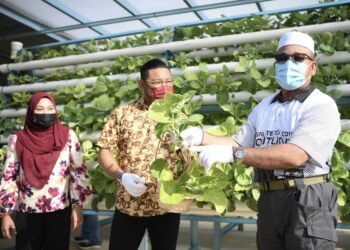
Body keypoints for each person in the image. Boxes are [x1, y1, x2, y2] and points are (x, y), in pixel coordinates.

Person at [181, 31, 340, 249]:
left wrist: (234, 155)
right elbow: (239, 142)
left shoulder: (320, 104)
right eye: (282, 58)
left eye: (299, 57)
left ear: (313, 67)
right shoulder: (265, 106)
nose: (289, 62)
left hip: (307, 198)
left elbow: (295, 156)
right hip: (269, 196)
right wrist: (202, 136)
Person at [97, 58, 181, 250]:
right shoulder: (123, 113)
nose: (164, 87)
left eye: (168, 81)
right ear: (142, 84)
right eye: (157, 82)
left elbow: (187, 158)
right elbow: (104, 150)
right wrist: (121, 175)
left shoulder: (179, 117)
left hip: (166, 206)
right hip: (129, 204)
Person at [0, 92, 92, 250]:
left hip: (59, 210)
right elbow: (9, 177)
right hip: (27, 211)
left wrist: (78, 206)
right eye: (40, 109)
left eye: (50, 108)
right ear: (31, 112)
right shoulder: (18, 140)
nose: (45, 113)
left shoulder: (68, 136)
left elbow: (79, 172)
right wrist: (6, 213)